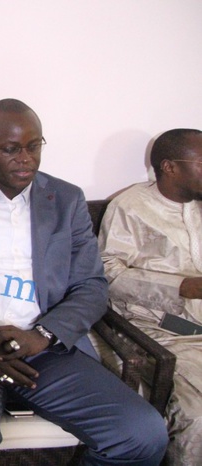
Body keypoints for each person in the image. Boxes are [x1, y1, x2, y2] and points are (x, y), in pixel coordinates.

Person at [0, 98, 169, 465]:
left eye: (34, 146)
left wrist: (42, 335)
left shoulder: (67, 200)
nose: (25, 159)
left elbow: (91, 286)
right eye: (11, 149)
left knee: (142, 433)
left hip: (44, 348)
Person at [99, 128, 202, 465]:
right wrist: (183, 287)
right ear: (170, 167)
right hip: (162, 332)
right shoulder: (130, 208)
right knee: (198, 416)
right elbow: (108, 276)